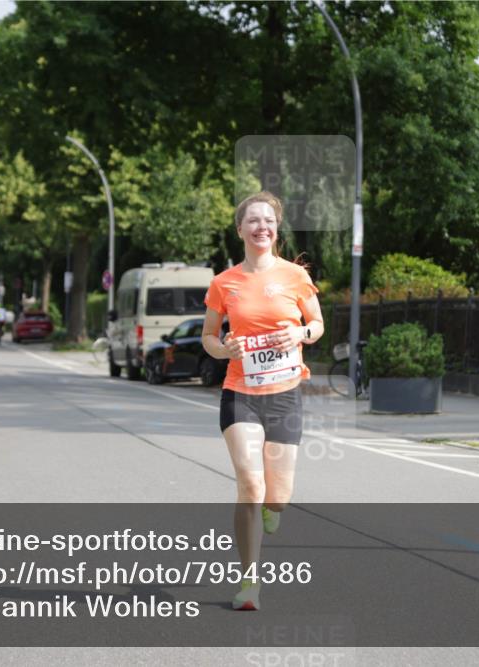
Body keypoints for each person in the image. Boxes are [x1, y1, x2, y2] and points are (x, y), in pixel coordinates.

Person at [201, 191, 325, 611]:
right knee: (251, 485)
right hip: (241, 394)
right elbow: (208, 338)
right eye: (253, 221)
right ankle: (249, 582)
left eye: (268, 221)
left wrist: (300, 334)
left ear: (276, 229)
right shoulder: (223, 283)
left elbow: (318, 324)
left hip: (285, 395)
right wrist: (226, 349)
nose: (261, 227)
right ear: (240, 230)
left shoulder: (294, 276)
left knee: (277, 496)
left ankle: (274, 510)